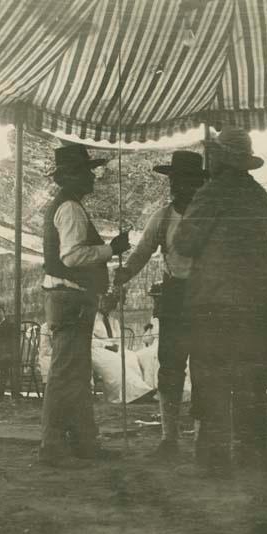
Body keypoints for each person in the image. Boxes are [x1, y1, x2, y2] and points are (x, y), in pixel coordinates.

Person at [174, 127, 267, 474]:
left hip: (214, 302)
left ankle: (214, 459)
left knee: (212, 377)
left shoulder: (211, 192)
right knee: (250, 378)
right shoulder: (260, 197)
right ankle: (252, 455)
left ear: (222, 158)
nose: (209, 158)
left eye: (213, 153)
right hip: (257, 303)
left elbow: (185, 243)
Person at [39, 144, 130, 466]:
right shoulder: (70, 209)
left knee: (76, 374)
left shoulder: (68, 205)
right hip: (70, 296)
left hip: (70, 297)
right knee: (66, 373)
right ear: (72, 176)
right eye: (87, 172)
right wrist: (110, 249)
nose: (92, 177)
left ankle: (83, 443)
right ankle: (53, 446)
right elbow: (73, 256)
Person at [115, 151, 208, 458]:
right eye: (176, 181)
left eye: (188, 181)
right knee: (170, 367)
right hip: (175, 297)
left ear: (199, 183)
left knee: (205, 366)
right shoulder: (163, 217)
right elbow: (142, 252)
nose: (181, 186)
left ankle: (202, 437)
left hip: (207, 297)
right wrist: (125, 272)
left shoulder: (210, 215)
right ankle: (169, 438)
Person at [92, 292, 155, 404]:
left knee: (131, 357)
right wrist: (105, 345)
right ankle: (124, 394)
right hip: (97, 349)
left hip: (114, 347)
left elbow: (118, 339)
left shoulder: (114, 321)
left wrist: (115, 346)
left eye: (111, 303)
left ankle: (139, 390)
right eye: (105, 302)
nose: (107, 306)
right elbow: (89, 340)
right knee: (116, 362)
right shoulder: (92, 320)